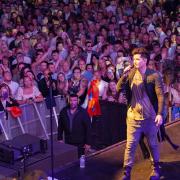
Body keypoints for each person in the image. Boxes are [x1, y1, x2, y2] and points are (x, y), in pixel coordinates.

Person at [117, 47, 164, 180]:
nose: (135, 61)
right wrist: (124, 75)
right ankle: (126, 173)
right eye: (134, 59)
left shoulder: (154, 75)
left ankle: (156, 169)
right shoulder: (131, 74)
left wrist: (160, 113)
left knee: (153, 144)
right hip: (133, 117)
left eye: (137, 59)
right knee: (130, 146)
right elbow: (118, 88)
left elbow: (160, 96)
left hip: (150, 117)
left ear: (144, 60)